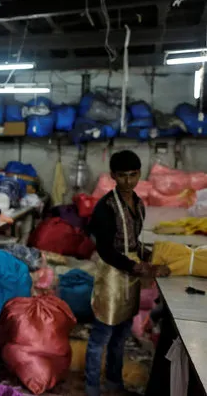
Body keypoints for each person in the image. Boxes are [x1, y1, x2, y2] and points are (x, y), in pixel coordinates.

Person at [84, 150, 170, 396]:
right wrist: (137, 266)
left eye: (133, 175)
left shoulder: (139, 205)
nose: (128, 181)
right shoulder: (105, 207)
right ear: (113, 176)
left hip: (130, 276)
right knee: (101, 336)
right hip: (111, 276)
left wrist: (152, 257)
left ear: (139, 174)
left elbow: (133, 243)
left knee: (121, 335)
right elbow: (105, 250)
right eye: (122, 176)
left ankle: (114, 382)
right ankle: (91, 388)